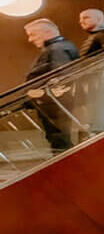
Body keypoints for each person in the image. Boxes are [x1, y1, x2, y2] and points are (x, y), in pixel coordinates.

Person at [22, 19, 79, 151]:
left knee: (59, 142)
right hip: (53, 103)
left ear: (47, 32)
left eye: (33, 34)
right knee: (58, 140)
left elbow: (61, 78)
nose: (30, 40)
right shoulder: (59, 48)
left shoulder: (57, 49)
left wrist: (39, 94)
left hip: (54, 105)